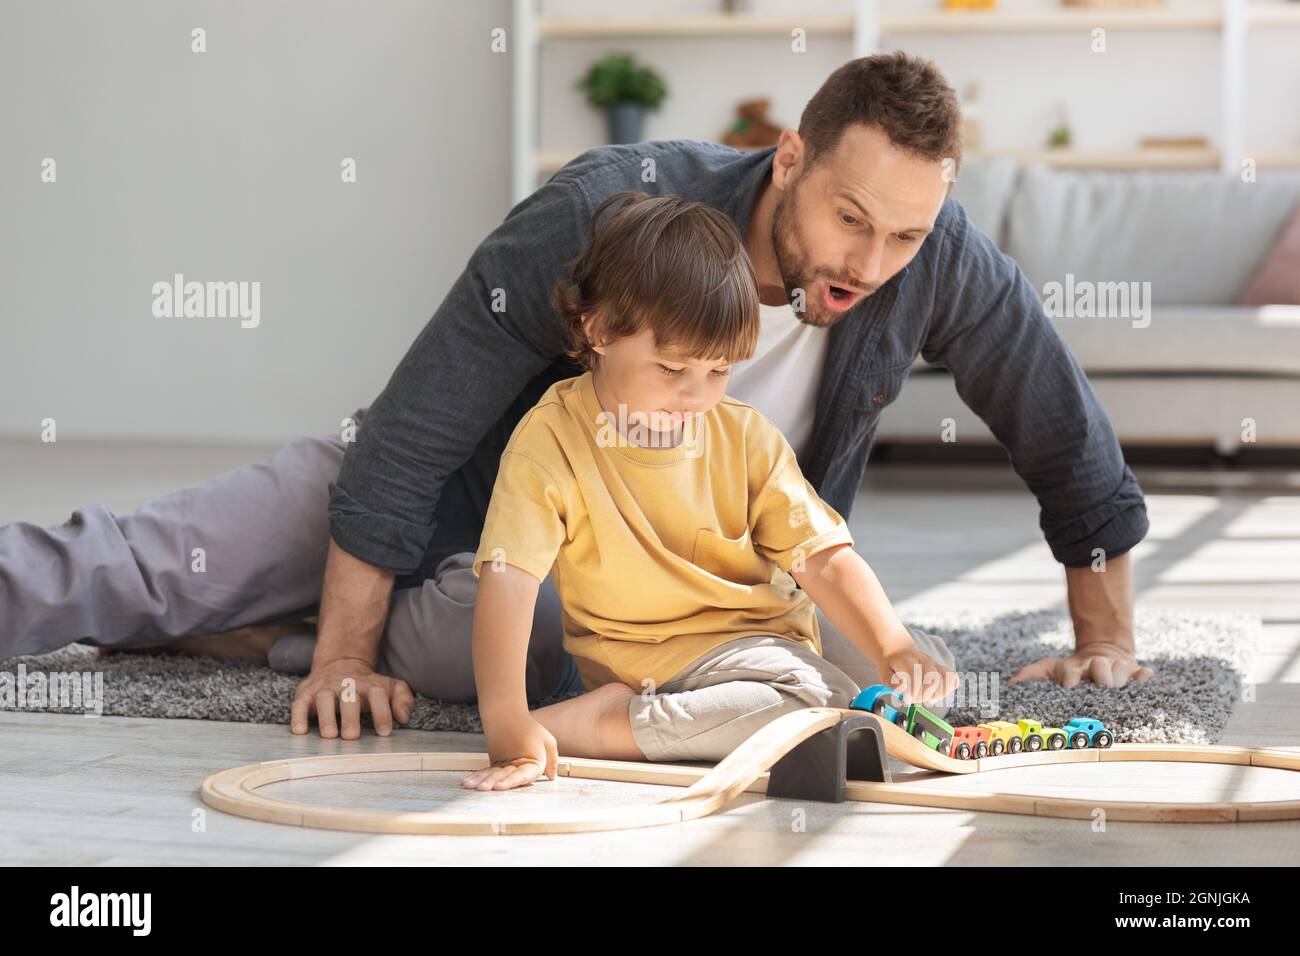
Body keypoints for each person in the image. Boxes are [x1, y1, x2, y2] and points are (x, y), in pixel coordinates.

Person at [0, 53, 1151, 742]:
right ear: (789, 158)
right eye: (850, 218)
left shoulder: (934, 254)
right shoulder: (611, 206)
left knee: (681, 666)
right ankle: (284, 624)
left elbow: (1063, 434)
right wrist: (341, 661)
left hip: (592, 603)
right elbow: (407, 436)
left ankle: (266, 633)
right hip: (445, 488)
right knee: (139, 567)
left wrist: (1104, 639)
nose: (871, 257)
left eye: (904, 233)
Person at [462, 191, 959, 790]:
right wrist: (506, 720)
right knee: (816, 704)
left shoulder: (743, 434)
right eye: (672, 370)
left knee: (920, 675)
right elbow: (508, 583)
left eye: (719, 371)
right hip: (656, 658)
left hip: (768, 633)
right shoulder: (551, 441)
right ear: (598, 330)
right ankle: (606, 723)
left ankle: (793, 695)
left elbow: (824, 559)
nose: (696, 397)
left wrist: (893, 645)